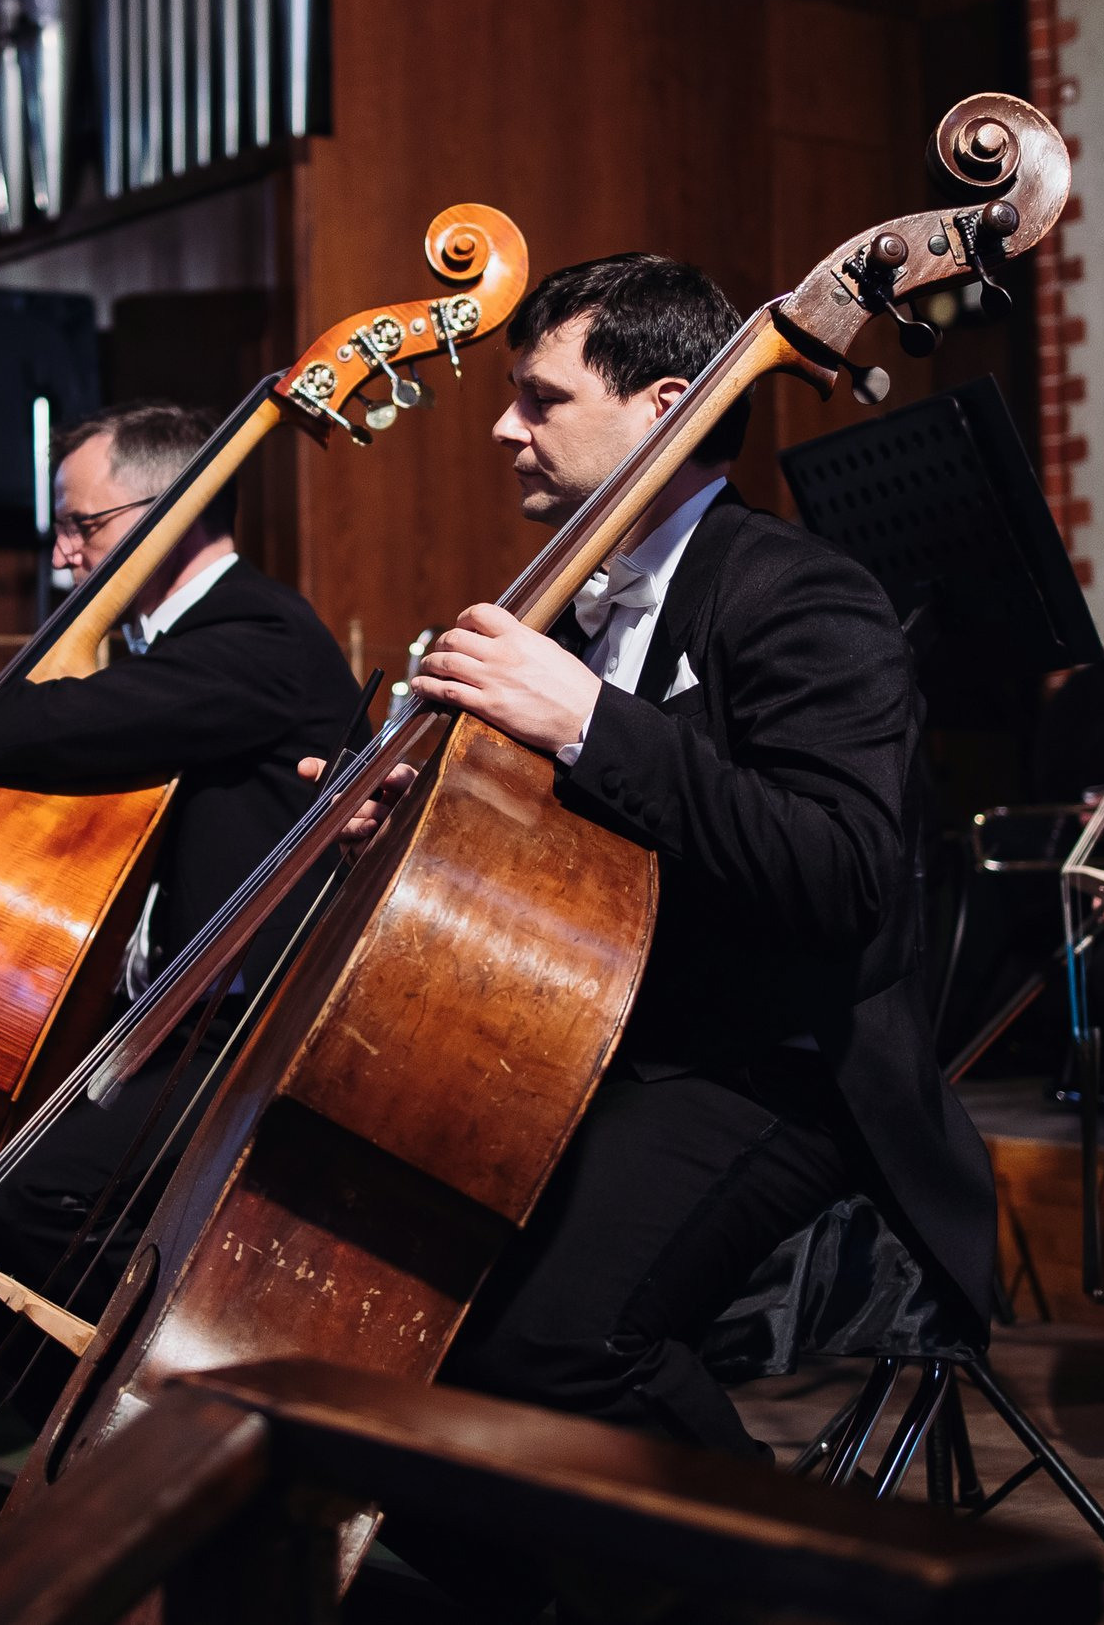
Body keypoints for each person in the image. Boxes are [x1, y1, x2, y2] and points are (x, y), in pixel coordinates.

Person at [315, 254, 995, 1466]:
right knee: (382, 1298)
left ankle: (790, 1597)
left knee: (552, 1342)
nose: (502, 425)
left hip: (773, 1064)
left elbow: (839, 873)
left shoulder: (801, 593)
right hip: (584, 1037)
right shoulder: (574, 607)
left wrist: (584, 719)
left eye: (540, 397)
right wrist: (417, 827)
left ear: (666, 402)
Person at [0, 399, 362, 1408]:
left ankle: (188, 1432)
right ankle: (54, 1461)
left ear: (174, 507)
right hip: (156, 1027)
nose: (60, 557)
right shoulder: (166, 652)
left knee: (30, 1192)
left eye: (82, 526)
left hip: (248, 1036)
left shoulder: (260, 634)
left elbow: (70, 719)